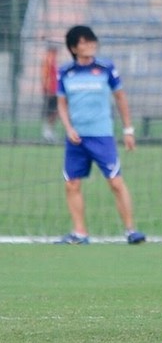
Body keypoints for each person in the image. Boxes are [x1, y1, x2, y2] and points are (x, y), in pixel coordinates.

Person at [55, 25, 146, 245]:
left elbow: (121, 98)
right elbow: (61, 104)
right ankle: (80, 232)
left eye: (91, 41)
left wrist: (128, 130)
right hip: (76, 139)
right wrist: (68, 128)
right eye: (84, 42)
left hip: (102, 137)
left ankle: (131, 230)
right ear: (74, 48)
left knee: (115, 182)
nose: (90, 45)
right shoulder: (65, 72)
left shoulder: (106, 68)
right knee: (72, 184)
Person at [41, 43, 59, 143]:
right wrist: (48, 89)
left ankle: (49, 131)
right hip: (51, 91)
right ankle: (47, 133)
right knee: (51, 112)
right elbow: (45, 77)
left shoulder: (52, 61)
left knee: (55, 111)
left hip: (54, 90)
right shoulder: (47, 61)